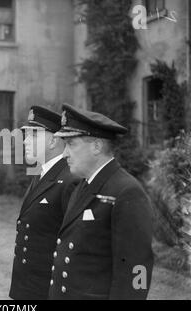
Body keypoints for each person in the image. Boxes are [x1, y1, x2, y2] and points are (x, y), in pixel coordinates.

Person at [49, 104, 154, 300]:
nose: (64, 154)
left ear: (96, 146)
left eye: (71, 144)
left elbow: (137, 268)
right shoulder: (83, 186)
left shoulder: (127, 192)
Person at [9, 106, 79, 300]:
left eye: (33, 135)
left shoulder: (68, 179)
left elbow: (72, 245)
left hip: (46, 290)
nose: (25, 141)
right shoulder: (44, 173)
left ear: (54, 141)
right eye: (26, 135)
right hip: (29, 287)